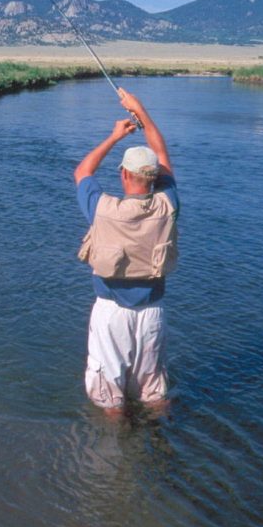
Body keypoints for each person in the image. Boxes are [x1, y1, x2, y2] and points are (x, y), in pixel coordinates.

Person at [73, 87, 179, 417]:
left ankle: (115, 457)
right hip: (152, 313)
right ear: (154, 178)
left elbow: (82, 172)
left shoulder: (103, 209)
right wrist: (142, 110)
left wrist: (114, 136)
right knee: (154, 391)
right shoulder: (168, 204)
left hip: (110, 314)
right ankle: (160, 452)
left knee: (110, 396)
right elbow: (163, 156)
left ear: (123, 174)